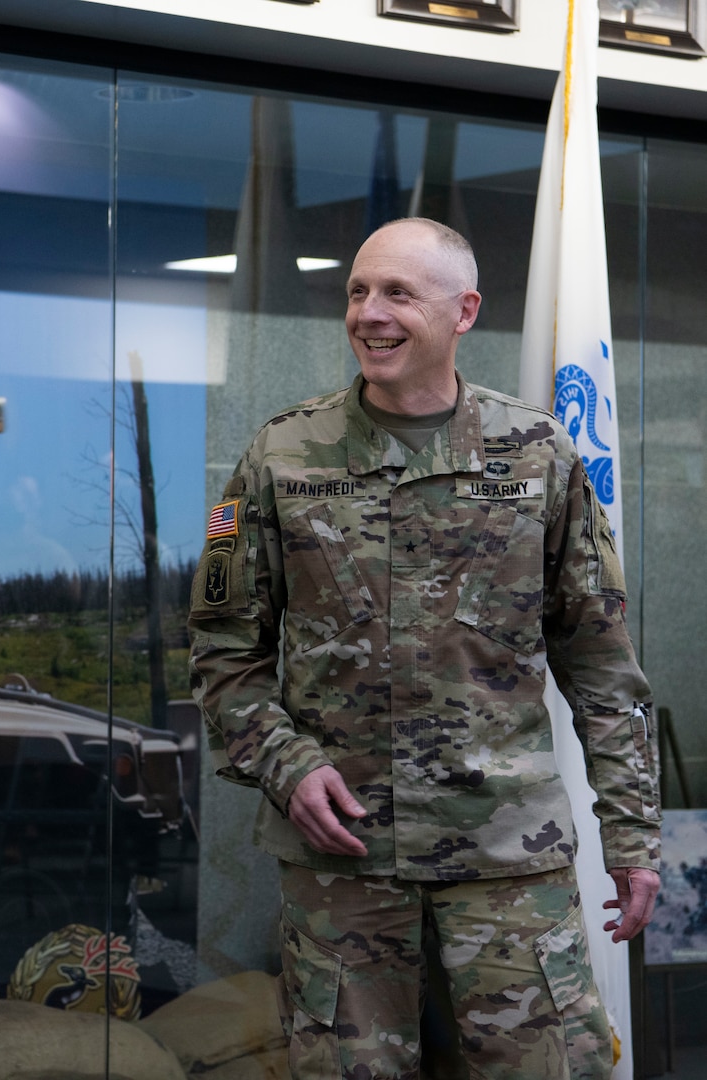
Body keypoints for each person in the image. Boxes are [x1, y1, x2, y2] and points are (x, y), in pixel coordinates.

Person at [189, 217, 660, 1080]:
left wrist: (631, 838)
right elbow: (223, 652)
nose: (369, 313)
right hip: (345, 861)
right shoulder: (282, 456)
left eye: (398, 292)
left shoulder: (539, 455)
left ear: (464, 311)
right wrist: (287, 765)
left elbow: (600, 662)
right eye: (358, 292)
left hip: (507, 855)